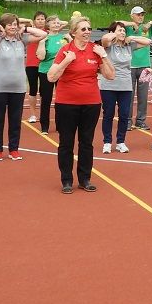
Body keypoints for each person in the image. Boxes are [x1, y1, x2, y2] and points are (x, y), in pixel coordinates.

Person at [46, 15, 115, 193]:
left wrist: (104, 56)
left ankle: (85, 179)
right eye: (83, 29)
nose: (87, 32)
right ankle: (67, 180)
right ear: (73, 32)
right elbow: (51, 77)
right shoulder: (65, 50)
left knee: (86, 142)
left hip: (91, 103)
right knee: (66, 143)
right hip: (66, 104)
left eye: (89, 29)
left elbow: (110, 75)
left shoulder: (95, 50)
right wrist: (67, 61)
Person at [0, 14, 47, 162]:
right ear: (4, 26)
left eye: (15, 24)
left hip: (18, 88)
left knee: (15, 121)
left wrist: (25, 28)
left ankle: (13, 149)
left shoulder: (22, 39)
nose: (13, 27)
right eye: (9, 24)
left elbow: (43, 34)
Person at [99, 21, 151, 155]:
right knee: (108, 114)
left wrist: (132, 37)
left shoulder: (129, 46)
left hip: (126, 86)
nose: (122, 32)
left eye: (123, 31)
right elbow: (105, 39)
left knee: (124, 114)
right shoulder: (108, 46)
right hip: (109, 85)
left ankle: (120, 142)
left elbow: (148, 41)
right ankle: (107, 142)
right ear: (112, 32)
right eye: (119, 30)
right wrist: (114, 35)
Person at [124, 6, 152, 131]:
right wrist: (132, 24)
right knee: (129, 95)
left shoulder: (147, 28)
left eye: (142, 14)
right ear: (132, 15)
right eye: (138, 14)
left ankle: (140, 120)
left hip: (144, 66)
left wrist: (151, 23)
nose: (140, 17)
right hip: (130, 65)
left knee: (143, 96)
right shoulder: (127, 28)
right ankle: (127, 121)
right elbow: (116, 23)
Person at [34, 15, 67, 134]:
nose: (56, 25)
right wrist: (42, 43)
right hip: (46, 71)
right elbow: (41, 57)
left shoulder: (64, 37)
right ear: (48, 25)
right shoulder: (44, 38)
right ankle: (44, 126)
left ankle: (60, 125)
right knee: (46, 99)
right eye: (54, 23)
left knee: (61, 99)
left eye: (58, 23)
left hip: (61, 71)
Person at [25, 11, 48, 124]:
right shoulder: (31, 31)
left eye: (42, 19)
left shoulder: (48, 32)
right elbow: (18, 21)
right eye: (38, 19)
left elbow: (63, 23)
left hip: (44, 64)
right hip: (31, 64)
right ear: (34, 21)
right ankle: (33, 114)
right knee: (33, 89)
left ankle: (43, 114)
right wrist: (29, 21)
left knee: (44, 90)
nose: (40, 21)